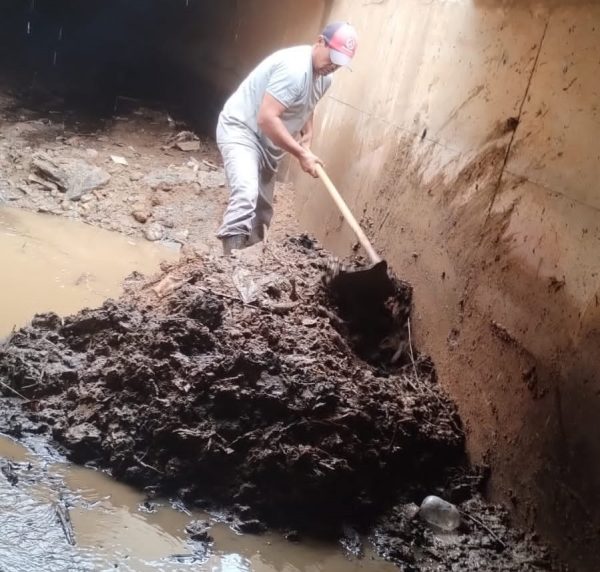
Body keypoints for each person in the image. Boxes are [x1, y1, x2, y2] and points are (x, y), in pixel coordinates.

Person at [215, 21, 358, 254]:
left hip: (268, 143)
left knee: (261, 214)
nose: (333, 66)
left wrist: (308, 132)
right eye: (332, 57)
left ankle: (252, 262)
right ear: (320, 42)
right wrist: (301, 153)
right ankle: (227, 268)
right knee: (246, 193)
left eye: (340, 63)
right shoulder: (294, 69)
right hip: (242, 130)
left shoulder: (324, 77)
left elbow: (307, 101)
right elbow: (267, 118)